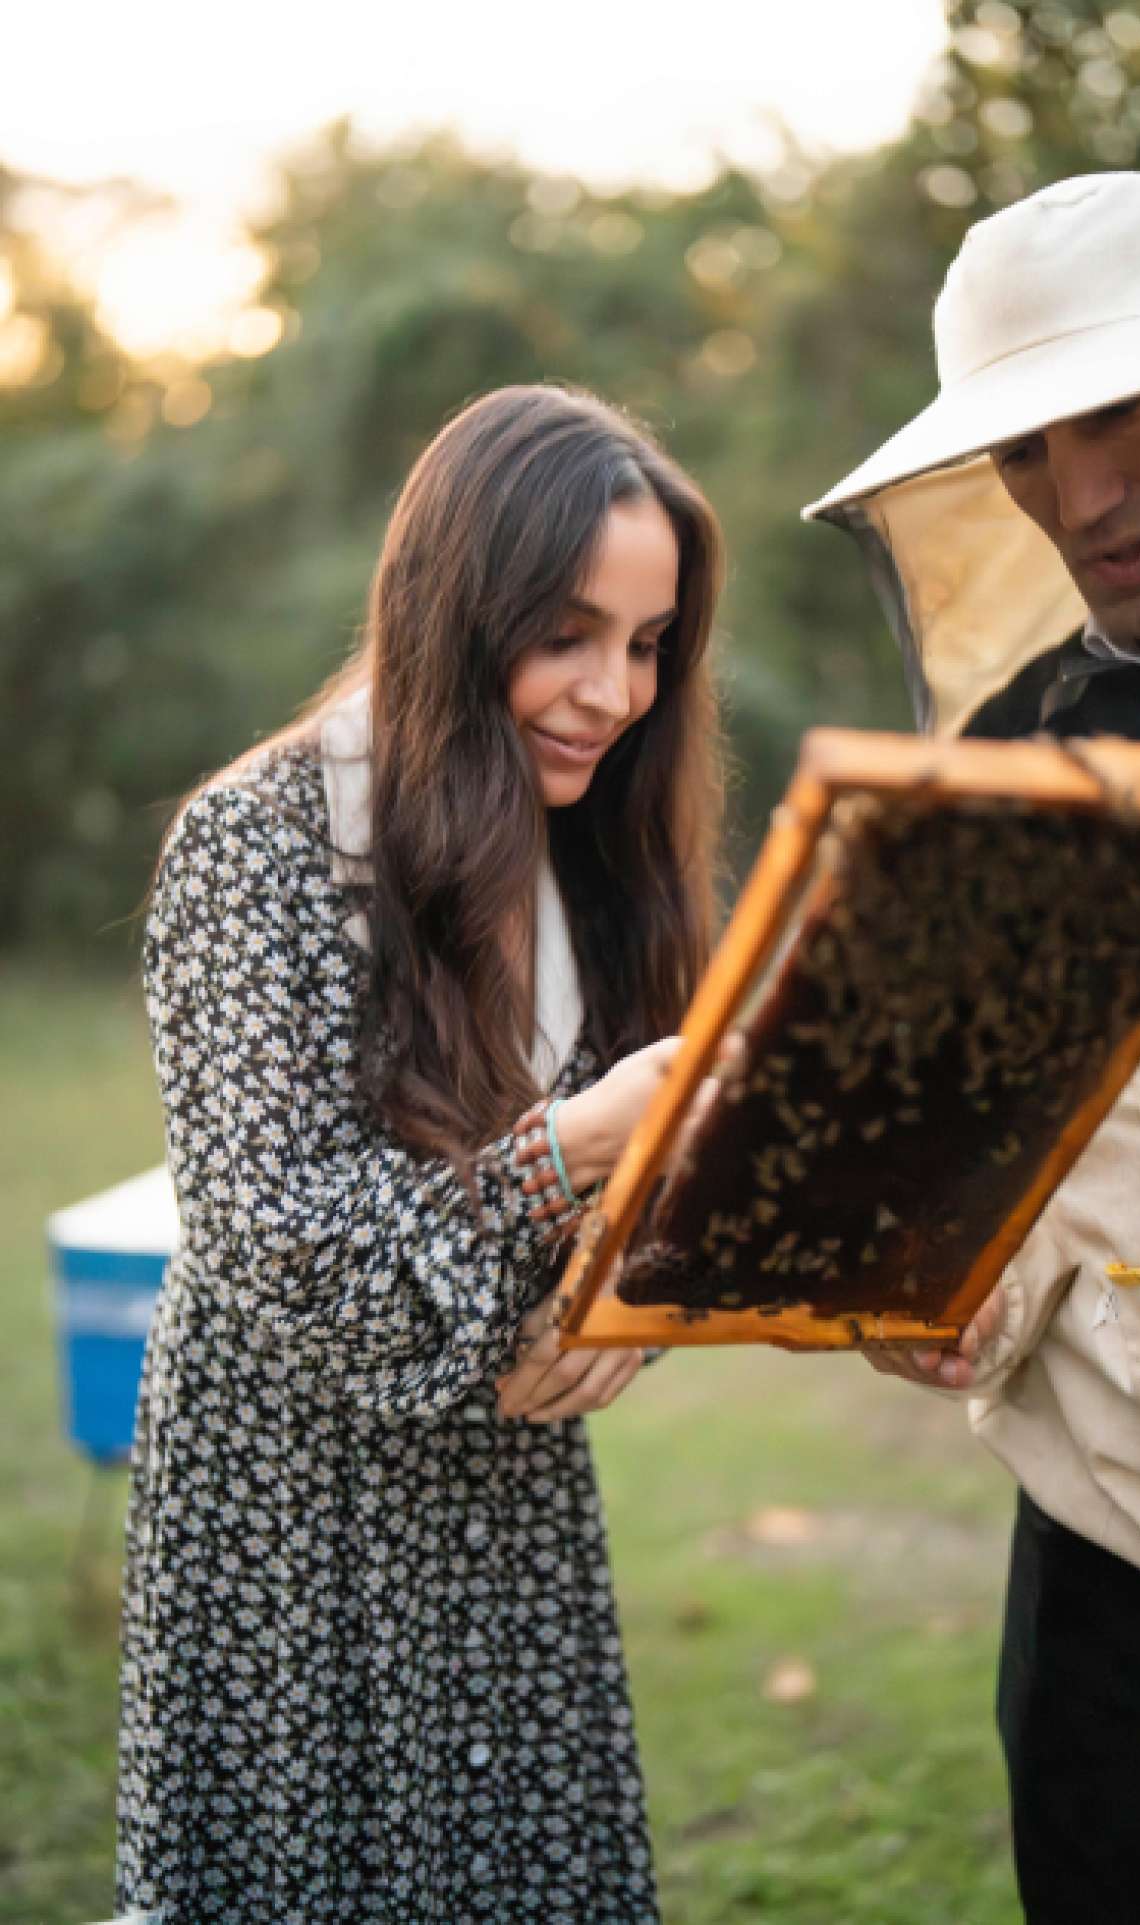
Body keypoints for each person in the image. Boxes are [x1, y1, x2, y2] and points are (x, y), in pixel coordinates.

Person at [116, 384, 727, 1925]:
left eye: (649, 642)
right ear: (458, 607)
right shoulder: (258, 839)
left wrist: (626, 1300)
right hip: (290, 1508)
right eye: (569, 634)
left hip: (506, 1494)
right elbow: (279, 1248)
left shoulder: (594, 844)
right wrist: (565, 1152)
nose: (615, 692)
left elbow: (665, 1190)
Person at [805, 172, 1140, 1923]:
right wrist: (922, 1289)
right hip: (1116, 1565)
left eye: (1120, 413)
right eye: (1025, 450)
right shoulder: (1005, 756)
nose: (1081, 499)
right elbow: (944, 1163)